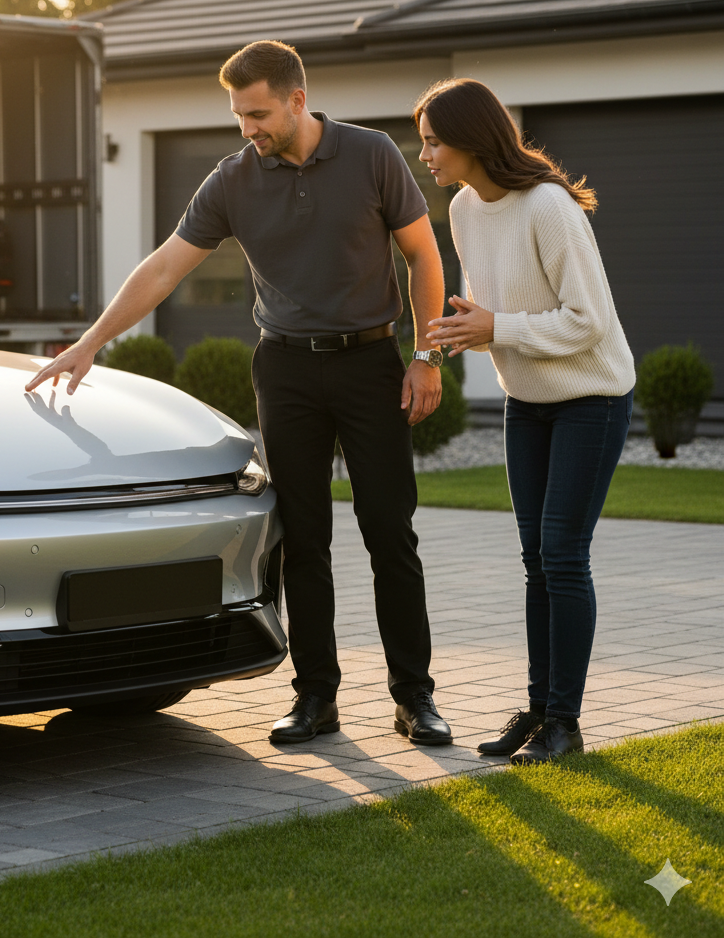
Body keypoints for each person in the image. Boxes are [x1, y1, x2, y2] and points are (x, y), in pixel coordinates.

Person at [26, 40, 453, 746]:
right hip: (285, 370)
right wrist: (90, 340)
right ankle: (316, 696)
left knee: (390, 534)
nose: (247, 129)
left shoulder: (373, 155)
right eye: (238, 116)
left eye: (257, 113)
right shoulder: (231, 181)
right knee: (302, 540)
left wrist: (427, 354)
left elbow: (423, 254)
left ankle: (415, 698)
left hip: (371, 361)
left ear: (296, 99)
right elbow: (165, 267)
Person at [418, 78, 635, 765]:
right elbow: (495, 304)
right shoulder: (462, 209)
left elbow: (588, 321)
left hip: (590, 397)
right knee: (535, 560)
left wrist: (497, 326)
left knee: (563, 555)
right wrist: (470, 327)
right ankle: (540, 710)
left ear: (472, 140)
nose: (423, 152)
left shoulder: (549, 208)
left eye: (433, 140)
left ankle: (565, 725)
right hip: (527, 401)